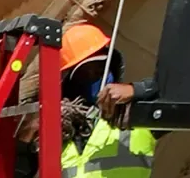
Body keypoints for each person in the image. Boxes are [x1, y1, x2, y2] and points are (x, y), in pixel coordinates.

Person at [52, 23, 155, 178]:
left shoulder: (136, 114)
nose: (98, 78)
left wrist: (136, 90)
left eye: (101, 69)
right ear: (72, 83)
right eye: (86, 74)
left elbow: (183, 93)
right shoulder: (57, 131)